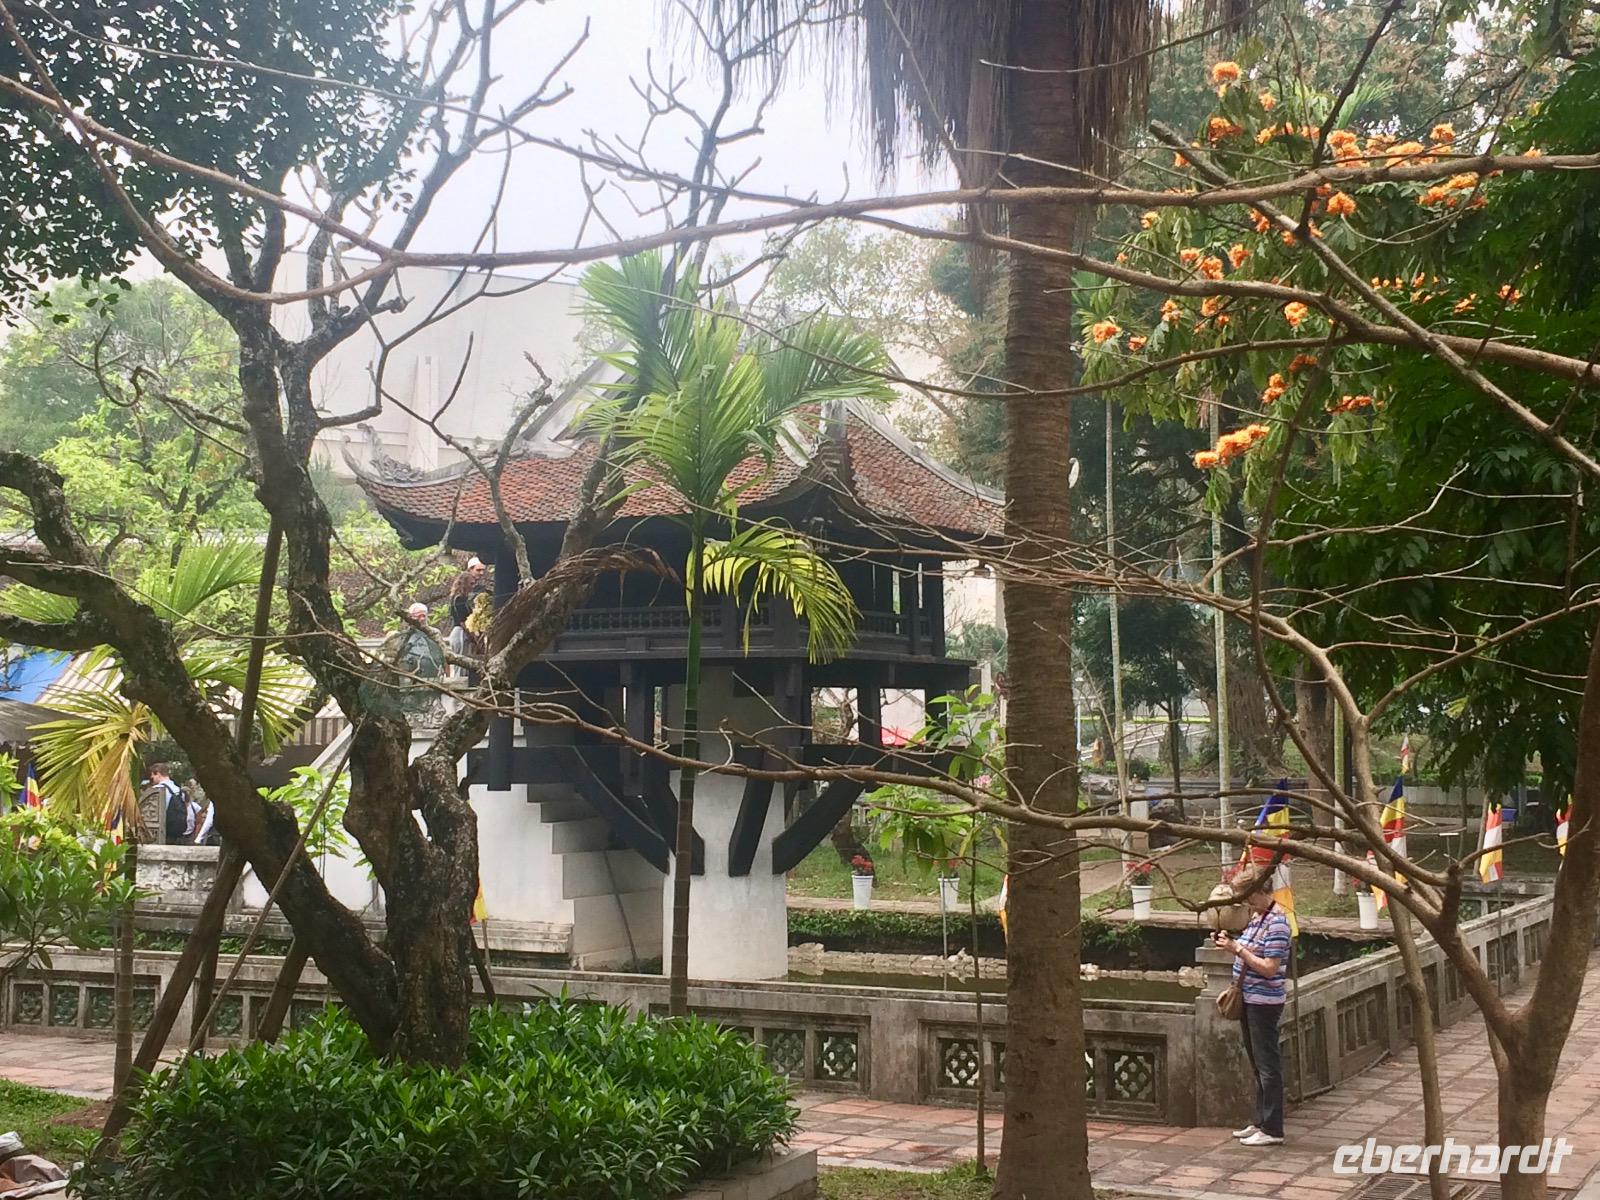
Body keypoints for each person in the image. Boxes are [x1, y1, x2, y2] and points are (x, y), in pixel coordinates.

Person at [1212, 871, 1291, 1147]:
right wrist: (1229, 944)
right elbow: (1247, 951)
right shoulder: (1258, 918)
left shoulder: (1277, 923)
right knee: (1257, 1064)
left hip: (1264, 1002)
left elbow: (1269, 968)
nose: (1245, 902)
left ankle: (1273, 1128)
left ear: (1260, 891)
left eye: (1247, 896)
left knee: (1268, 1066)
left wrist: (1238, 950)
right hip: (1248, 998)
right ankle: (1260, 1121)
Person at [448, 557, 488, 659]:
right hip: (461, 633)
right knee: (461, 661)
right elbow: (463, 622)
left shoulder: (462, 598)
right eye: (471, 584)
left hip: (464, 633)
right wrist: (475, 638)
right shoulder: (459, 599)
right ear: (464, 583)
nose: (472, 586)